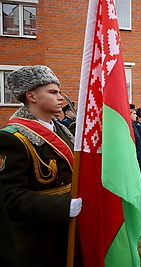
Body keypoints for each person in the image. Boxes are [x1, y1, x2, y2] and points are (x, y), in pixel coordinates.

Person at [0, 65, 82, 267]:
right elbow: (9, 197)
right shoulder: (11, 138)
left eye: (59, 92)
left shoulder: (62, 131)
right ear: (32, 96)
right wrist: (63, 207)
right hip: (38, 239)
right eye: (53, 92)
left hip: (68, 229)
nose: (60, 98)